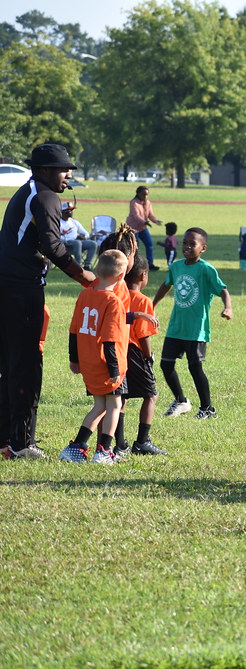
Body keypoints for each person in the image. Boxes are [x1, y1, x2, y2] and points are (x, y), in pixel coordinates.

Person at [0, 143, 95, 459]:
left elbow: (33, 229)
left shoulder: (33, 192)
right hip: (22, 290)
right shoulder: (45, 197)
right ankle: (21, 443)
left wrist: (58, 213)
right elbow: (53, 247)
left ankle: (6, 439)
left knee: (9, 364)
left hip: (8, 288)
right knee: (26, 365)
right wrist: (84, 276)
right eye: (63, 169)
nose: (68, 174)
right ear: (43, 170)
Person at [152, 227, 233, 420]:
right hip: (176, 326)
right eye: (185, 243)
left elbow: (223, 290)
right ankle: (180, 400)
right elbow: (166, 285)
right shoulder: (177, 266)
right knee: (166, 364)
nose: (187, 247)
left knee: (194, 367)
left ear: (203, 248)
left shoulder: (206, 269)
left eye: (192, 244)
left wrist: (228, 307)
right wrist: (152, 305)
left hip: (196, 328)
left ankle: (207, 408)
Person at [59, 250, 131, 465]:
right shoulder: (113, 302)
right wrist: (114, 370)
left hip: (88, 361)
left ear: (97, 271)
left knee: (99, 406)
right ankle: (104, 451)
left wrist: (74, 360)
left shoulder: (85, 295)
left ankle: (76, 448)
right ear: (120, 278)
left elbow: (73, 331)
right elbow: (110, 339)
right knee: (115, 405)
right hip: (108, 363)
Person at [116, 258, 168, 456]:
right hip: (135, 352)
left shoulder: (118, 295)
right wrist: (148, 356)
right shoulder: (143, 300)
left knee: (121, 397)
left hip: (118, 349)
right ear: (143, 276)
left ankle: (120, 443)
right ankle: (142, 442)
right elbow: (143, 334)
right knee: (151, 395)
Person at [126, 185, 162, 271]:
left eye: (147, 195)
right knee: (135, 247)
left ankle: (150, 264)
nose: (145, 196)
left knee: (149, 243)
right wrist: (145, 222)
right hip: (133, 228)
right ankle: (134, 265)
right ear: (138, 194)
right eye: (143, 194)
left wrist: (155, 221)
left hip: (142, 228)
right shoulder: (134, 202)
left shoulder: (148, 203)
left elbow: (150, 214)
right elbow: (136, 216)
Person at [58, 202, 97, 270]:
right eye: (69, 210)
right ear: (63, 211)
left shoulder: (74, 222)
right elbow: (57, 237)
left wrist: (84, 237)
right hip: (65, 244)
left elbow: (86, 233)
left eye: (72, 210)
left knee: (93, 244)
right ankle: (78, 266)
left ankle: (87, 265)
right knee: (77, 243)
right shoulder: (58, 222)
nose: (71, 212)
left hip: (76, 243)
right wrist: (69, 239)